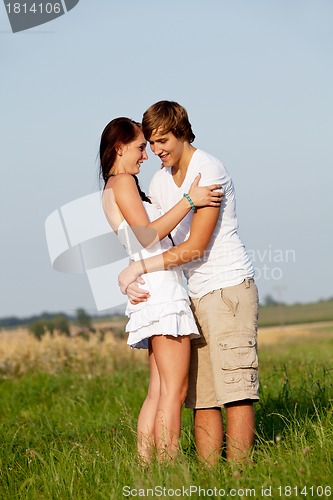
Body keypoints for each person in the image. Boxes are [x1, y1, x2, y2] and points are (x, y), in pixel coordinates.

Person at [118, 101, 259, 465]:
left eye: (163, 140)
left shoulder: (208, 169)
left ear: (181, 132)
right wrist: (137, 274)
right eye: (150, 143)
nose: (157, 149)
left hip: (226, 289)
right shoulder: (160, 181)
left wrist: (139, 269)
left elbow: (195, 247)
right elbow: (153, 236)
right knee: (202, 396)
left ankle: (241, 477)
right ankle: (211, 473)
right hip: (190, 296)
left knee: (235, 389)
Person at [99, 117, 222, 462]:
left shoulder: (114, 186)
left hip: (152, 289)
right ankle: (169, 465)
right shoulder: (122, 181)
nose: (146, 155)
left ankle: (146, 465)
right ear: (120, 147)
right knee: (175, 390)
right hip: (162, 293)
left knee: (158, 390)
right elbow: (147, 235)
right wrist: (189, 200)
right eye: (140, 147)